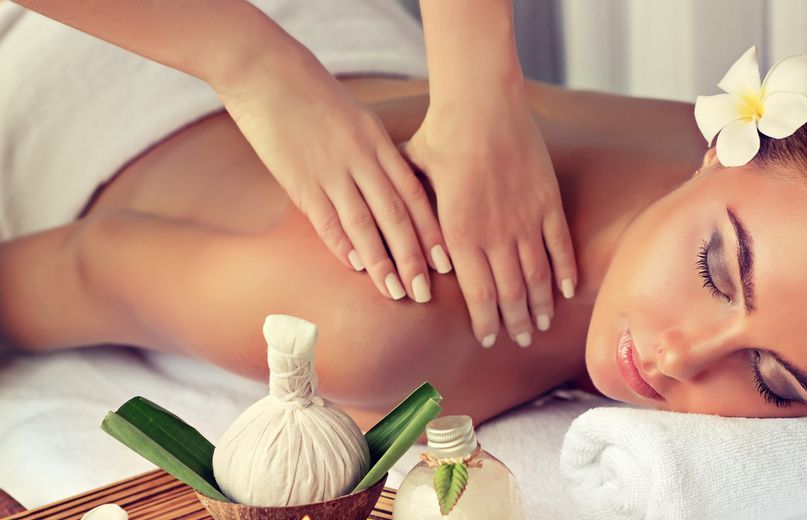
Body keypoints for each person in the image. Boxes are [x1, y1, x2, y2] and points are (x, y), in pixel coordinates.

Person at [0, 4, 807, 430]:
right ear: (724, 150)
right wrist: (249, 60)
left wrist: (476, 78)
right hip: (66, 56)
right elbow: (46, 278)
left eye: (776, 384)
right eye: (712, 268)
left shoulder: (759, 174)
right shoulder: (382, 311)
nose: (680, 357)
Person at [8, 0, 578, 351]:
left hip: (344, 26)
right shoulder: (357, 321)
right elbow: (81, 267)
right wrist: (248, 60)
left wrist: (478, 91)